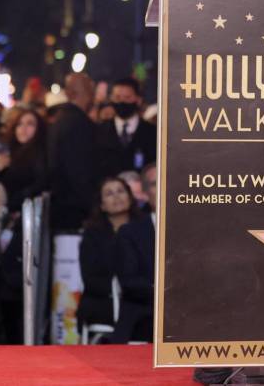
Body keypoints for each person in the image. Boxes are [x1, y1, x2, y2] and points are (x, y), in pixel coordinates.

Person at [0, 109, 49, 343]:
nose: (24, 129)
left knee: (16, 282)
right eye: (19, 124)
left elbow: (41, 184)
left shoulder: (38, 155)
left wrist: (16, 204)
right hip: (5, 226)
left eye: (30, 124)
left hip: (24, 227)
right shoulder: (9, 154)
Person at [78, 177, 141, 332]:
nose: (117, 196)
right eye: (109, 193)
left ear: (130, 198)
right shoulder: (92, 235)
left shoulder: (147, 228)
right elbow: (90, 278)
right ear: (102, 205)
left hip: (141, 299)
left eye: (120, 191)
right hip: (104, 300)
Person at [48, 73, 99, 231]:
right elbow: (79, 171)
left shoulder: (59, 121)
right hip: (75, 213)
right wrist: (92, 208)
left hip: (62, 207)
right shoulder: (79, 124)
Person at [113, 164, 157, 344]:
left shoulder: (198, 230)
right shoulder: (130, 232)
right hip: (146, 311)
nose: (165, 188)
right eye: (156, 184)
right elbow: (130, 282)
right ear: (145, 194)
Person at [95, 78, 156, 178]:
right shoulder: (99, 131)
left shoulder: (152, 132)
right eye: (117, 97)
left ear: (138, 100)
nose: (122, 102)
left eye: (127, 97)